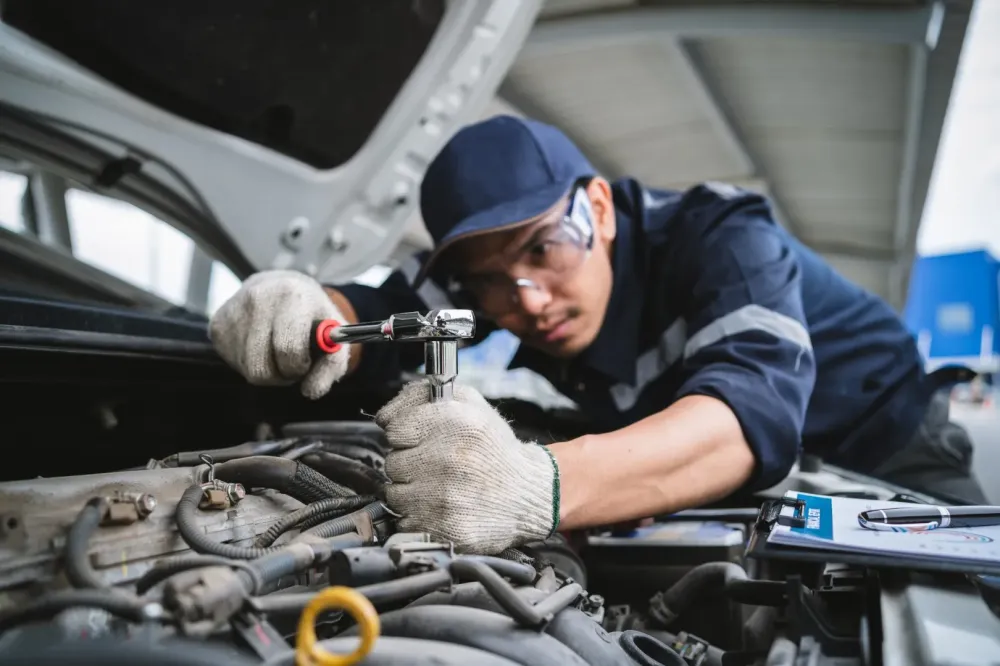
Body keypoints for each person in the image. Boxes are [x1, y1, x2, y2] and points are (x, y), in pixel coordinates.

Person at [209, 115, 987, 555]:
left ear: (602, 211)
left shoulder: (724, 237)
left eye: (543, 248)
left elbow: (750, 412)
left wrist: (536, 485)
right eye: (487, 279)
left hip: (885, 445)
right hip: (738, 478)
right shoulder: (499, 278)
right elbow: (383, 315)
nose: (525, 297)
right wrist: (309, 308)